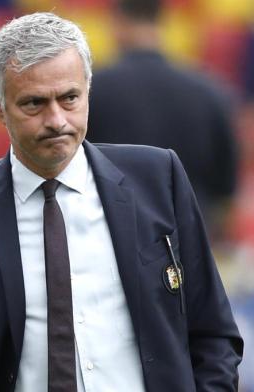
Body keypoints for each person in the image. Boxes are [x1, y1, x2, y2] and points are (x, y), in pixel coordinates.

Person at [0, 12, 243, 392]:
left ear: (88, 90)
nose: (56, 119)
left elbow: (214, 334)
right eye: (34, 104)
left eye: (70, 98)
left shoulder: (159, 178)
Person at [87, 0, 239, 241]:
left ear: (118, 24)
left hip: (115, 236)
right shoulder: (210, 91)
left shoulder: (91, 91)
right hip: (188, 239)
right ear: (163, 23)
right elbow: (225, 188)